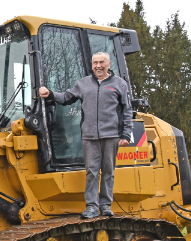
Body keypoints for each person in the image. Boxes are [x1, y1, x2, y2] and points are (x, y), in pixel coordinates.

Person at [39, 52, 132, 219]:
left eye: (101, 62)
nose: (98, 66)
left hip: (111, 135)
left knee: (109, 171)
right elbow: (66, 98)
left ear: (109, 64)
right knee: (92, 172)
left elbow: (127, 110)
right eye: (95, 62)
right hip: (89, 136)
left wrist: (125, 134)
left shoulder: (120, 84)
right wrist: (50, 94)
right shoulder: (83, 84)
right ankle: (91, 207)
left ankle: (105, 206)